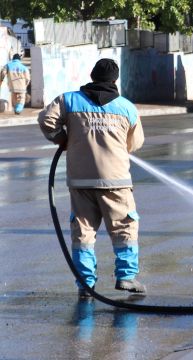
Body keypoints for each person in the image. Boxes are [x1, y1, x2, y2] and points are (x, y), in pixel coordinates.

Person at [38, 59, 146, 298]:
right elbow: (135, 143)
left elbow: (46, 120)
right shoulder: (126, 107)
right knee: (124, 227)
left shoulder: (69, 100)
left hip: (80, 181)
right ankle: (126, 277)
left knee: (83, 232)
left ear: (92, 75)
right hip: (116, 181)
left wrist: (61, 139)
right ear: (115, 80)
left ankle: (85, 284)